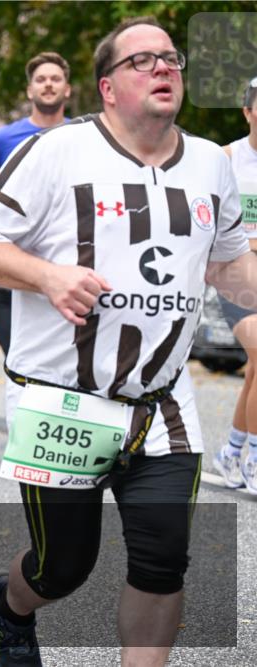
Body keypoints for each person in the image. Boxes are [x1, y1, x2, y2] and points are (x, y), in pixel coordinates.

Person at [0, 17, 256, 667]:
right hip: (65, 400)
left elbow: (230, 268)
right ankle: (12, 603)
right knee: (63, 566)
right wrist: (47, 274)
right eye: (143, 60)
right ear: (108, 87)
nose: (164, 67)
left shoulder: (210, 163)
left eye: (171, 58)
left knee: (163, 560)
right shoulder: (56, 151)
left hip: (164, 405)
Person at [0, 51, 71, 422]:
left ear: (67, 89)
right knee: (5, 340)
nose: (48, 84)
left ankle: (50, 417)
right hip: (9, 257)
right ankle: (19, 415)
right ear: (30, 90)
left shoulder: (81, 137)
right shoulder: (2, 138)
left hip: (60, 258)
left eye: (55, 78)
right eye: (41, 79)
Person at [213, 76, 257, 495]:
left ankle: (232, 449)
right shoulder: (225, 158)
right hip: (237, 275)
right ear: (247, 111)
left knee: (256, 369)